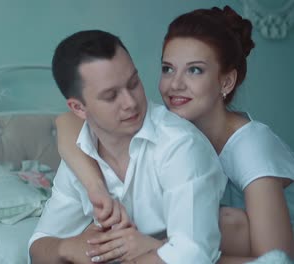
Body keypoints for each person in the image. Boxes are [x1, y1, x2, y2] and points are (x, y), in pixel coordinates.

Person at [55, 5, 294, 263]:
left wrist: (158, 248)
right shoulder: (172, 132)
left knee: (222, 221)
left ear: (226, 82)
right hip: (211, 247)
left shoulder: (250, 145)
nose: (175, 84)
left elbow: (276, 258)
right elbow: (66, 123)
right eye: (168, 69)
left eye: (194, 70)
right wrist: (95, 187)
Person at [28, 29, 227, 264]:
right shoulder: (81, 155)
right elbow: (37, 246)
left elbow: (193, 254)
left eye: (134, 83)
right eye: (111, 96)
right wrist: (67, 248)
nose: (131, 102)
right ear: (79, 108)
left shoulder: (180, 145)